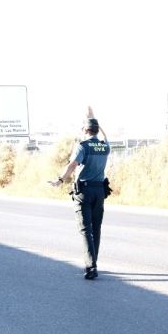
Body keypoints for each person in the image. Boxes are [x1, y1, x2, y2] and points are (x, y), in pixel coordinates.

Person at [50, 106, 110, 280]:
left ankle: (91, 267)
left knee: (85, 229)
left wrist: (60, 180)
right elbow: (105, 137)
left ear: (85, 130)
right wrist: (95, 118)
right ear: (97, 130)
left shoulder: (82, 146)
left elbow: (72, 165)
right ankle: (94, 261)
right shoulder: (104, 146)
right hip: (99, 191)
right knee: (96, 228)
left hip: (84, 191)